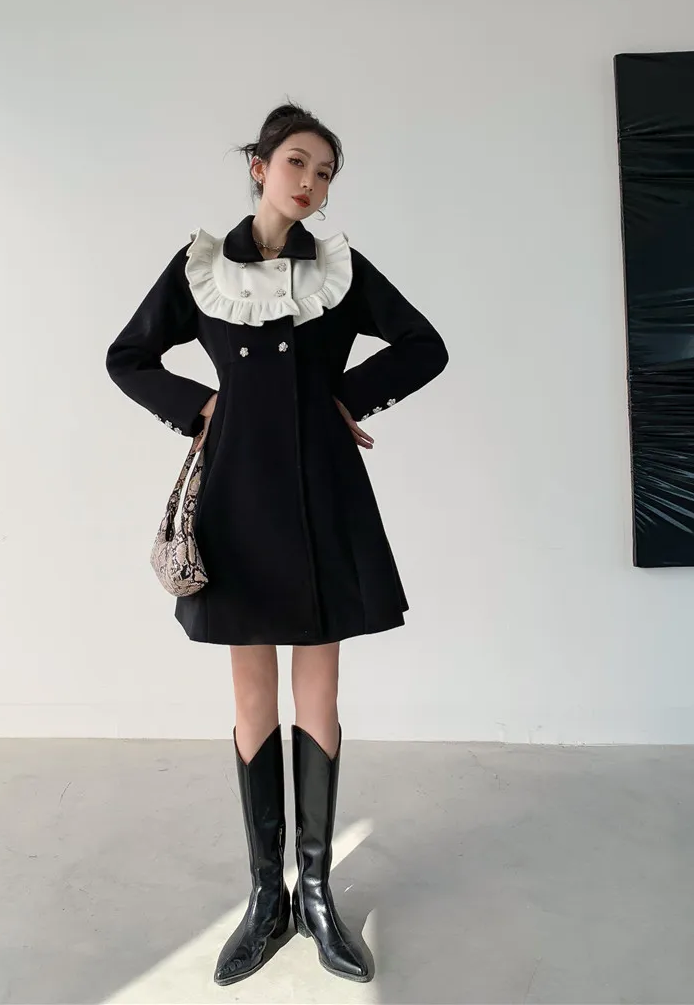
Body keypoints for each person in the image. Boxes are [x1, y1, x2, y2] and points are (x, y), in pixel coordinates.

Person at [106, 102, 448, 986]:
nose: (311, 182)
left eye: (325, 172)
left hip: (323, 490)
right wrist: (200, 408)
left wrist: (348, 399)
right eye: (298, 162)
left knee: (319, 691)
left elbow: (424, 346)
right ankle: (267, 897)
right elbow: (127, 357)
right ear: (259, 166)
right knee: (253, 693)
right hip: (237, 495)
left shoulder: (338, 269)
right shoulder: (201, 268)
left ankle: (319, 894)